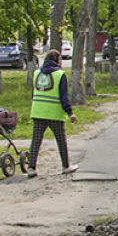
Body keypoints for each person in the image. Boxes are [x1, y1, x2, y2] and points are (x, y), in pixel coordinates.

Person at [27, 49, 78, 177]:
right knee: (61, 141)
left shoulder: (36, 73)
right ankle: (66, 166)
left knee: (36, 141)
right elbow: (64, 97)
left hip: (38, 111)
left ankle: (31, 168)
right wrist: (70, 112)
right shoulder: (60, 75)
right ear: (58, 60)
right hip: (54, 113)